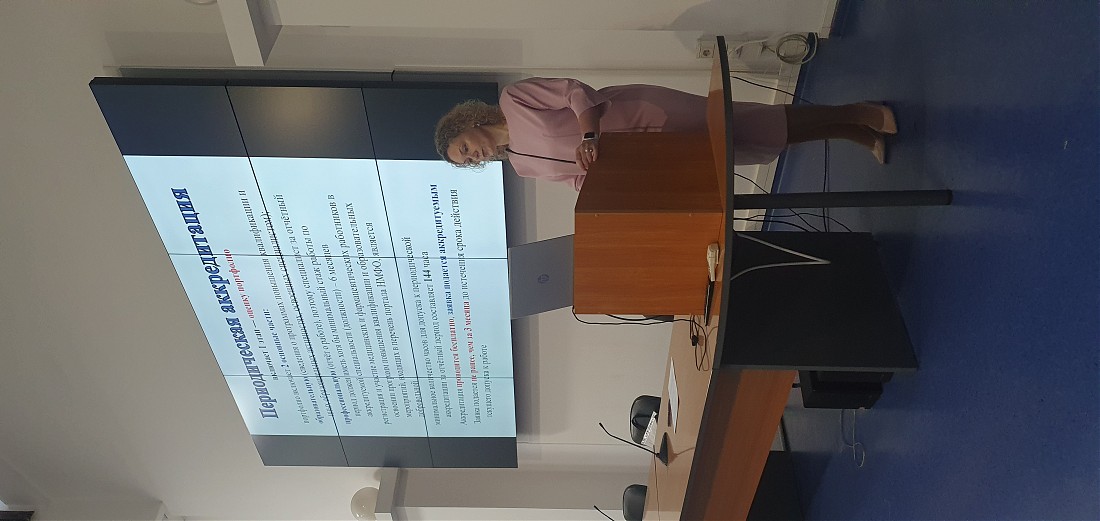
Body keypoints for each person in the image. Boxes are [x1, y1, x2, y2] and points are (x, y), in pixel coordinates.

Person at [434, 77, 896, 191]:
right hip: (650, 156)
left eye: (465, 148)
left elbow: (575, 93)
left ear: (468, 124)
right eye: (467, 161)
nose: (474, 156)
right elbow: (578, 178)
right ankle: (848, 133)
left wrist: (589, 137)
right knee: (749, 145)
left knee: (749, 123)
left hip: (646, 112)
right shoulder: (521, 165)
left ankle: (859, 114)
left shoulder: (515, 99)